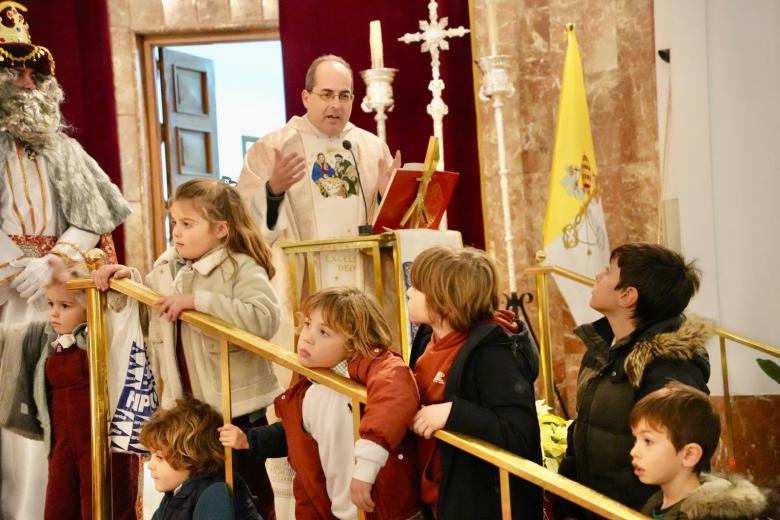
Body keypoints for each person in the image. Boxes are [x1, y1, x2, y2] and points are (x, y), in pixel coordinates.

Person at [0, 4, 131, 518]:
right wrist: (17, 268)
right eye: (15, 71)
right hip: (7, 305)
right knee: (11, 430)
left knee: (58, 422)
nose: (28, 82)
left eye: (34, 72)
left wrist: (52, 260)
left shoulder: (65, 149)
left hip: (60, 299)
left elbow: (97, 213)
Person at [94, 178, 280, 519]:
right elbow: (152, 308)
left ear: (222, 229)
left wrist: (201, 302)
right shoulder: (167, 268)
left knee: (248, 491)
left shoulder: (240, 267)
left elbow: (265, 318)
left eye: (188, 224)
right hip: (190, 410)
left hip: (234, 408)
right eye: (174, 223)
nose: (177, 232)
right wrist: (127, 280)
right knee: (201, 489)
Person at [236, 53, 402, 349]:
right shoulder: (273, 147)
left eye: (344, 95)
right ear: (305, 97)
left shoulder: (372, 147)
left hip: (362, 286)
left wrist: (387, 196)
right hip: (304, 287)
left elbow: (391, 230)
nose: (335, 105)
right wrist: (273, 190)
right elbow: (245, 230)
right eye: (326, 94)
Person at [219, 286, 422, 520]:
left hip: (385, 510)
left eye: (324, 332)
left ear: (354, 342)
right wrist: (250, 440)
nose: (307, 337)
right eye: (307, 324)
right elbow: (298, 441)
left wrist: (367, 468)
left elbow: (395, 393)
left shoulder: (376, 370)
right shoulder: (309, 387)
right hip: (334, 511)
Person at [553, 243, 712, 519]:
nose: (598, 276)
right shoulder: (603, 349)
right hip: (594, 506)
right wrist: (567, 495)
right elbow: (584, 425)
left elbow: (678, 458)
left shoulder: (669, 364)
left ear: (627, 295)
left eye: (609, 272)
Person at [406, 246, 543, 520]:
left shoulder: (494, 352)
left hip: (477, 504)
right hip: (436, 495)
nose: (409, 292)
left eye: (418, 287)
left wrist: (453, 413)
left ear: (444, 300)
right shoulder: (427, 335)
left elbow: (520, 435)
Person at [30, 261, 138, 519]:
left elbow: (120, 311)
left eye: (65, 306)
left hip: (102, 443)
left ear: (90, 308)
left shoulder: (97, 338)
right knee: (59, 507)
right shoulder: (51, 343)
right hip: (62, 445)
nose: (54, 314)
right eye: (50, 304)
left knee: (105, 506)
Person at [630, 381, 767, 519]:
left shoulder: (708, 516)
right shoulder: (654, 505)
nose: (634, 452)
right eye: (636, 439)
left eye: (648, 441)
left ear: (689, 455)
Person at [140, 397, 261, 520]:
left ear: (195, 459)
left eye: (159, 457)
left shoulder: (214, 495)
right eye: (151, 455)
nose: (150, 465)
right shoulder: (175, 494)